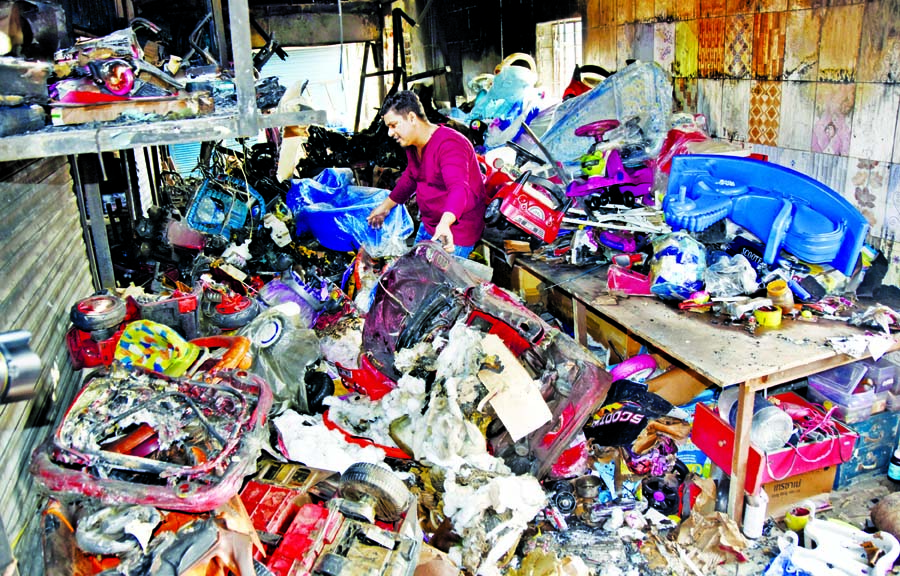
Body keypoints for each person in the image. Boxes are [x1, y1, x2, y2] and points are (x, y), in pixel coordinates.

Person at [367, 90, 486, 258]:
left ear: (412, 118)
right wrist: (385, 207)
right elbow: (412, 175)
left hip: (453, 232)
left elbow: (459, 188)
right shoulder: (413, 144)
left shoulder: (450, 144)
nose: (390, 133)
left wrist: (445, 223)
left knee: (436, 283)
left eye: (393, 125)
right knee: (413, 274)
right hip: (430, 224)